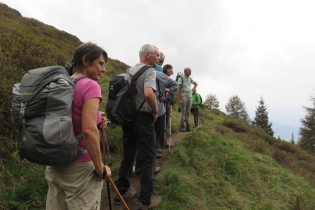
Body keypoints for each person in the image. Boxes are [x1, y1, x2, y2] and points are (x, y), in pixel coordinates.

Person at [45, 42, 111, 210]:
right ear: (86, 60)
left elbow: (69, 117)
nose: (103, 70)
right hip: (79, 168)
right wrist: (100, 169)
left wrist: (98, 121)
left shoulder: (61, 83)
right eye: (100, 64)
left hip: (55, 162)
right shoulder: (90, 85)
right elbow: (88, 131)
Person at [115, 44, 163, 209]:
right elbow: (149, 93)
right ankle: (145, 200)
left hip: (128, 117)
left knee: (128, 155)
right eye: (157, 55)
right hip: (143, 117)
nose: (159, 58)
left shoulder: (129, 70)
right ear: (148, 55)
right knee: (148, 157)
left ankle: (122, 191)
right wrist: (155, 111)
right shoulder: (149, 71)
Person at [177, 67, 198, 132]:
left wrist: (193, 88)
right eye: (189, 71)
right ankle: (182, 126)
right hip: (183, 96)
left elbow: (196, 83)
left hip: (190, 96)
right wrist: (180, 99)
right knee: (183, 111)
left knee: (188, 111)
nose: (190, 72)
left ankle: (188, 125)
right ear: (185, 71)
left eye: (190, 71)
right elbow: (178, 89)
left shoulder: (190, 79)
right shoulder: (181, 78)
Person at [160, 64, 175, 147]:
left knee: (165, 121)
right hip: (163, 102)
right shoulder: (163, 77)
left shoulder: (169, 79)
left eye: (171, 69)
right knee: (163, 122)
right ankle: (162, 141)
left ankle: (163, 141)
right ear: (165, 69)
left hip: (168, 102)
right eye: (169, 69)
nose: (170, 70)